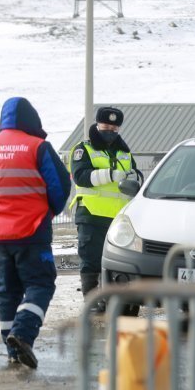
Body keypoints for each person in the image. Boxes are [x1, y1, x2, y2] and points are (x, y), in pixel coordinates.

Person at [0, 97, 71, 368]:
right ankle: (23, 334)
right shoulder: (38, 147)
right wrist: (48, 211)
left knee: (7, 290)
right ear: (32, 120)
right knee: (40, 283)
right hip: (32, 229)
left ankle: (11, 349)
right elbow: (60, 188)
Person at [67, 106, 142, 306]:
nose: (110, 131)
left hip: (119, 219)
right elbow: (81, 177)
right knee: (91, 262)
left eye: (115, 128)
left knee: (117, 262)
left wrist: (136, 177)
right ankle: (92, 302)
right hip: (92, 215)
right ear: (98, 124)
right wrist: (110, 175)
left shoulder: (124, 152)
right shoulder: (84, 149)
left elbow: (136, 173)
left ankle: (114, 300)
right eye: (106, 126)